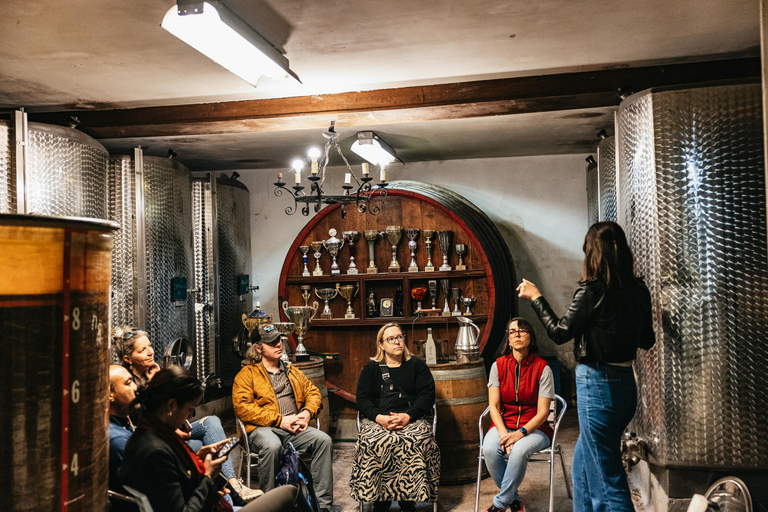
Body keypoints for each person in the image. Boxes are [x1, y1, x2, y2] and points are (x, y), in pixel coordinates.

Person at [517, 221, 655, 512]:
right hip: (625, 386)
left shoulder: (591, 293)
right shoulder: (639, 290)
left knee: (608, 482)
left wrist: (536, 297)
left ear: (592, 253)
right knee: (583, 462)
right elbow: (647, 340)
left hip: (598, 387)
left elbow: (558, 332)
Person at [118, 366, 301, 512]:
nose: (190, 417)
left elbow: (176, 482)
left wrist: (198, 459)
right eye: (191, 409)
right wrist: (206, 477)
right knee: (290, 493)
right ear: (172, 405)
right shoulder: (155, 450)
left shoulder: (155, 433)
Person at [113, 327, 261, 502]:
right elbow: (153, 417)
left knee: (211, 422)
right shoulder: (129, 389)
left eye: (149, 346)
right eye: (142, 350)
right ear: (128, 359)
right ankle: (228, 495)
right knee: (200, 451)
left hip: (168, 431)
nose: (150, 352)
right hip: (164, 433)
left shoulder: (152, 371)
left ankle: (233, 485)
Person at [232, 324, 334, 512]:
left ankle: (323, 506)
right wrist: (280, 420)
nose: (278, 345)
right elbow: (243, 408)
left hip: (294, 428)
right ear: (258, 347)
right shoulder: (247, 375)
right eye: (271, 342)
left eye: (279, 340)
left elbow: (313, 393)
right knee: (273, 446)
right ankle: (271, 506)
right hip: (262, 429)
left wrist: (306, 413)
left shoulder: (292, 371)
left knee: (324, 440)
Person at [351, 322, 440, 512]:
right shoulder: (371, 369)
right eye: (391, 339)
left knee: (416, 440)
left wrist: (408, 416)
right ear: (381, 344)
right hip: (380, 419)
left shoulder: (417, 365)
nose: (397, 342)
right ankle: (379, 500)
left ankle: (408, 499)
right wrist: (378, 418)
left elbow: (427, 396)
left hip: (412, 418)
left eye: (400, 337)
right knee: (372, 441)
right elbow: (363, 399)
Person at [481, 318, 554, 512]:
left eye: (523, 330)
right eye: (512, 331)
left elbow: (543, 412)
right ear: (508, 338)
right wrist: (505, 435)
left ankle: (499, 505)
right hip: (504, 424)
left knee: (519, 450)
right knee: (489, 449)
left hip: (536, 429)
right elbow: (494, 407)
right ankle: (513, 500)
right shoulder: (498, 365)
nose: (518, 334)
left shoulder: (543, 368)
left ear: (531, 336)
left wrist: (519, 434)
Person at [108, 365, 139, 510]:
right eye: (128, 383)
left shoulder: (122, 423)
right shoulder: (118, 441)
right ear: (109, 394)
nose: (135, 388)